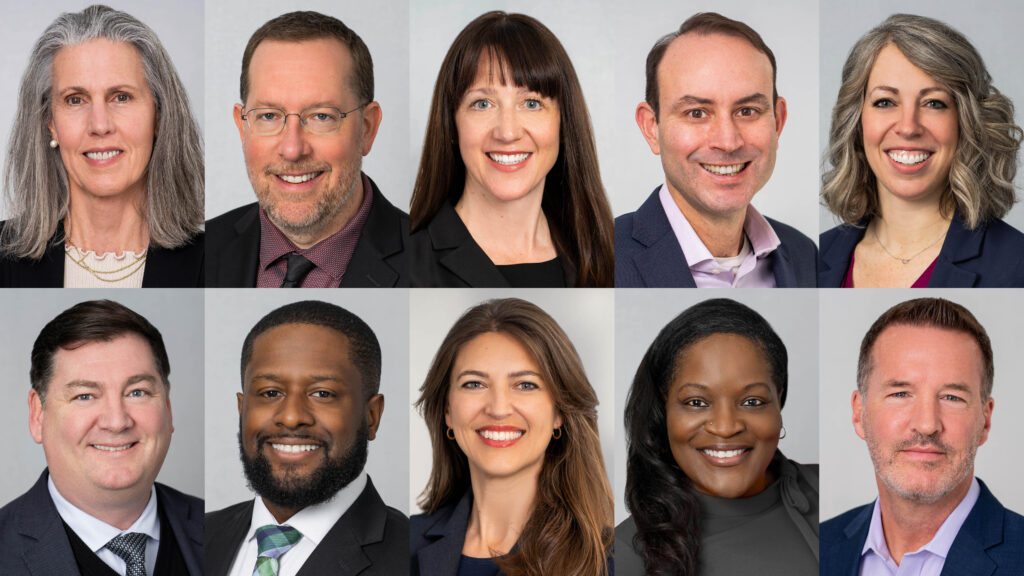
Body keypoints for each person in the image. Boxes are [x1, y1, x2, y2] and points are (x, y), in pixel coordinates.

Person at [0, 5, 204, 288]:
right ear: (50, 122)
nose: (99, 125)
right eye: (75, 100)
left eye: (121, 97)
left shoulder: (215, 262)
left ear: (158, 115)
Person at [408, 12, 614, 288]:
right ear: (451, 124)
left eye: (531, 103)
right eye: (482, 103)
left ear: (564, 124)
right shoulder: (407, 266)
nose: (507, 133)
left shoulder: (609, 258)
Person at [820, 298, 1024, 574]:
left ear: (985, 420)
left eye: (952, 397)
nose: (927, 425)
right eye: (900, 394)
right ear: (859, 413)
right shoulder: (814, 547)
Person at [206, 11, 409, 288]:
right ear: (243, 128)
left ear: (367, 128)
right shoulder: (200, 252)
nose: (292, 149)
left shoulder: (428, 262)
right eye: (268, 116)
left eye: (322, 116)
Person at [410, 298, 613, 575]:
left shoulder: (609, 560)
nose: (498, 409)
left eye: (525, 385)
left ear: (559, 412)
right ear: (447, 409)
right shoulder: (404, 542)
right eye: (475, 384)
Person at [819, 14, 1024, 287]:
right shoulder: (814, 256)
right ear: (856, 121)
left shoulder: (1016, 264)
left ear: (967, 121)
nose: (908, 127)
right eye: (884, 102)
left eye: (934, 103)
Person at [0, 300, 203, 575]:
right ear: (38, 414)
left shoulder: (219, 529)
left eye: (137, 392)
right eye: (84, 396)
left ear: (167, 406)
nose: (117, 421)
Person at [617, 298, 818, 576]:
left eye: (752, 402)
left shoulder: (829, 495)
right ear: (665, 409)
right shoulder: (623, 556)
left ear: (778, 400)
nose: (725, 427)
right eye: (697, 402)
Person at [205, 300, 408, 576]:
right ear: (242, 409)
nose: (291, 417)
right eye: (270, 393)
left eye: (323, 393)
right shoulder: (198, 536)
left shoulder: (411, 556)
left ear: (372, 415)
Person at [615, 13, 817, 288]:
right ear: (652, 127)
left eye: (747, 111)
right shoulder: (598, 257)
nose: (728, 141)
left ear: (778, 121)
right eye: (697, 113)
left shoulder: (805, 255)